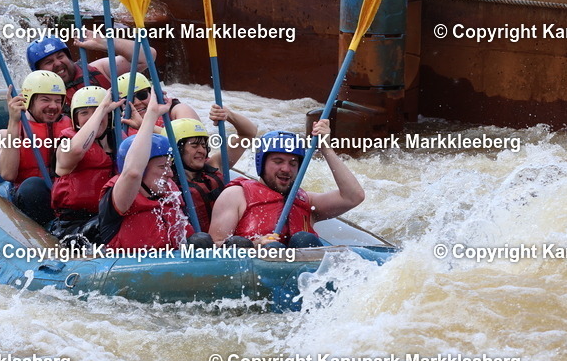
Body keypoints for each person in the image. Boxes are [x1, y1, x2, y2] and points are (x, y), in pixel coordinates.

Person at [208, 120, 365, 248]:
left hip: (302, 277)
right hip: (256, 274)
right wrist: (255, 244)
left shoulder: (307, 202)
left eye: (293, 163)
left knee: (303, 240)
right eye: (278, 161)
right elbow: (215, 248)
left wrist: (326, 148)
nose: (286, 169)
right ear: (261, 164)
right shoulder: (236, 195)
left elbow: (354, 196)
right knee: (273, 249)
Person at [95, 94, 196, 250]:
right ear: (142, 168)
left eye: (170, 167)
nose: (170, 174)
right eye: (163, 167)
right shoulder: (120, 198)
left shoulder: (170, 195)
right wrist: (151, 116)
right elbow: (132, 173)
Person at [0, 70, 72, 226]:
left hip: (65, 198)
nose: (53, 106)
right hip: (32, 199)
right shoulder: (5, 134)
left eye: (58, 101)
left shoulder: (72, 127)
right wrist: (14, 122)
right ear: (28, 100)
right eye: (45, 100)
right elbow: (7, 173)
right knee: (32, 187)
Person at [49, 86, 124, 244]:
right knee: (102, 226)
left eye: (96, 111)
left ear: (110, 116)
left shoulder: (119, 140)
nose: (92, 117)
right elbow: (76, 150)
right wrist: (102, 108)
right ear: (75, 120)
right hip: (74, 226)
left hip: (109, 218)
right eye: (84, 113)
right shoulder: (66, 144)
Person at [169, 103, 258, 234]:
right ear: (177, 149)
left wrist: (229, 115)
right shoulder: (166, 183)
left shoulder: (215, 165)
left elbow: (249, 134)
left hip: (229, 241)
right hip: (197, 246)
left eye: (204, 145)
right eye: (194, 145)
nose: (202, 150)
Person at [25, 34, 151, 100]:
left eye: (60, 56)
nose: (58, 63)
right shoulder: (36, 99)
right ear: (38, 71)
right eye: (48, 62)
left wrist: (104, 43)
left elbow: (148, 57)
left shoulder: (97, 70)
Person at [117, 71, 199, 134]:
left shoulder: (177, 110)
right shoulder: (119, 126)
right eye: (128, 99)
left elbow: (191, 140)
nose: (137, 102)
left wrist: (144, 126)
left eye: (142, 95)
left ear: (153, 94)